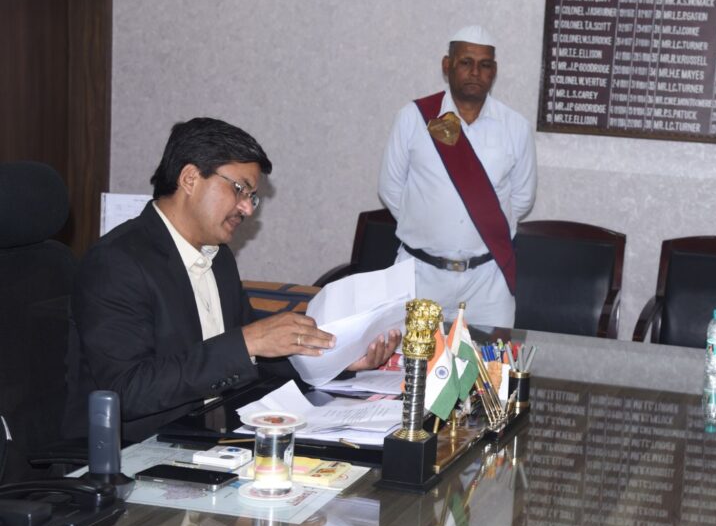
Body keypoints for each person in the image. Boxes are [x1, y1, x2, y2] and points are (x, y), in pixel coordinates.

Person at [64, 118, 400, 442]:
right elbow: (128, 390)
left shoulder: (218, 257)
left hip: (210, 436)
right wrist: (247, 341)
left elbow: (252, 359)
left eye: (252, 197)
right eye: (240, 189)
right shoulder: (117, 263)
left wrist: (338, 362)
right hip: (136, 450)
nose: (247, 209)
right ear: (190, 179)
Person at [378, 25, 536, 327]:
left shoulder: (516, 127)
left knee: (488, 359)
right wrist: (430, 226)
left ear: (494, 71)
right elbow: (390, 188)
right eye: (466, 62)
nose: (475, 72)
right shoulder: (413, 118)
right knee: (414, 359)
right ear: (447, 65)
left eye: (484, 64)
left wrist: (479, 230)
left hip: (487, 284)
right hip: (420, 277)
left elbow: (522, 197)